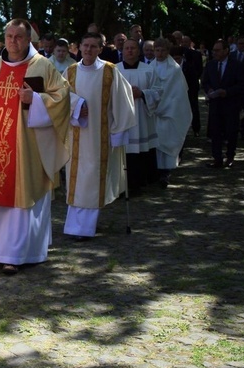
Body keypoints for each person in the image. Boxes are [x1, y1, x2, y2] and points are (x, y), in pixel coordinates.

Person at [0, 18, 69, 274]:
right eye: (9, 36)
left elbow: (62, 99)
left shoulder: (42, 66)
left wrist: (38, 100)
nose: (13, 41)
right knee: (2, 199)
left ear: (29, 39)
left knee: (26, 195)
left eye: (18, 37)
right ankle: (0, 252)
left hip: (30, 146)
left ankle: (23, 254)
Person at [63, 32, 136, 239]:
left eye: (93, 46)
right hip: (76, 134)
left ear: (100, 49)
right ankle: (74, 226)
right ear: (79, 48)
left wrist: (119, 130)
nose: (88, 50)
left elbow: (124, 100)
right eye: (85, 45)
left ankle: (84, 229)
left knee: (92, 179)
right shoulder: (70, 72)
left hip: (100, 138)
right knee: (76, 179)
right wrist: (76, 105)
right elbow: (60, 96)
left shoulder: (109, 72)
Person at [117, 38, 159, 193]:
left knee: (141, 150)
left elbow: (158, 91)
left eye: (133, 48)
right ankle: (122, 185)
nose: (129, 51)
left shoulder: (148, 70)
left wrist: (142, 93)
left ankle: (140, 182)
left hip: (142, 117)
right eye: (127, 48)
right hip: (122, 118)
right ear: (123, 51)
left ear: (138, 51)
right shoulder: (115, 70)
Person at [151, 45, 192, 187]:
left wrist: (166, 104)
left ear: (167, 51)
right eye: (157, 50)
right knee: (155, 142)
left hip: (170, 111)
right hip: (154, 112)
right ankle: (154, 172)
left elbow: (178, 90)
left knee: (167, 139)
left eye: (163, 50)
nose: (160, 53)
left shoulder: (174, 69)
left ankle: (166, 173)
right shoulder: (149, 67)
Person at [202, 39, 243, 168]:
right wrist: (209, 90)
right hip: (215, 104)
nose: (215, 53)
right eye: (214, 50)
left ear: (226, 51)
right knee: (215, 131)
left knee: (231, 131)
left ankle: (230, 156)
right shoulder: (210, 65)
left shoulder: (236, 65)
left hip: (231, 103)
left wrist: (227, 92)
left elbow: (242, 84)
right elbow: (205, 81)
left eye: (218, 50)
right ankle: (217, 158)